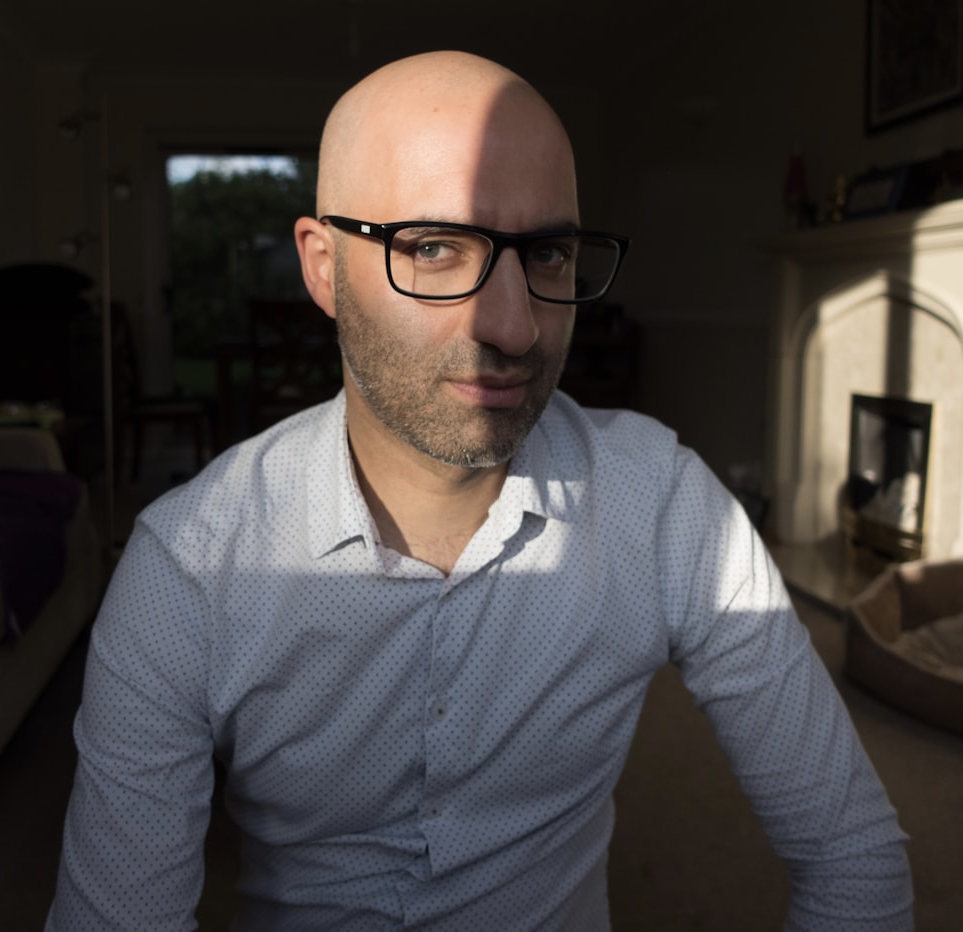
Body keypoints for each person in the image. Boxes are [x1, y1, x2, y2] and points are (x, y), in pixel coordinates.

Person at [47, 50, 912, 931]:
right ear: (321, 267)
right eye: (431, 246)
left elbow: (852, 858)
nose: (511, 324)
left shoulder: (664, 508)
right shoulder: (187, 567)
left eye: (547, 253)